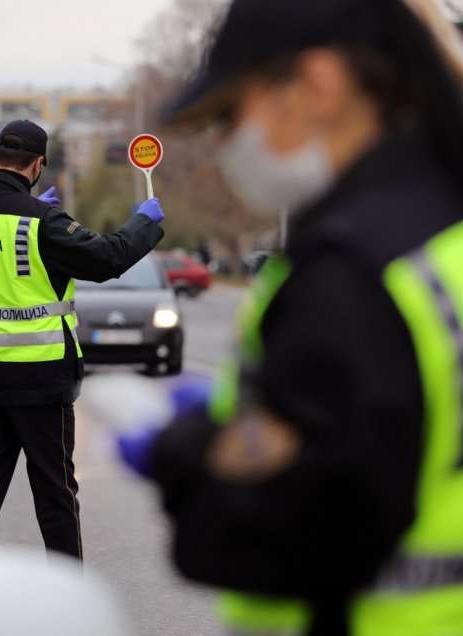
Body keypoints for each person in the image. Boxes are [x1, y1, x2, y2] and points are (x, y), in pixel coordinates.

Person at [116, 1, 463, 634]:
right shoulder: (441, 237)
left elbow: (268, 537)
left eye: (230, 114)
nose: (224, 147)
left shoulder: (348, 274)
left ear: (318, 84)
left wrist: (188, 457)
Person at [0, 120, 165, 559]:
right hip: (41, 382)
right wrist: (144, 224)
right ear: (37, 164)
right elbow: (105, 259)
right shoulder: (42, 222)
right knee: (55, 495)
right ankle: (70, 601)